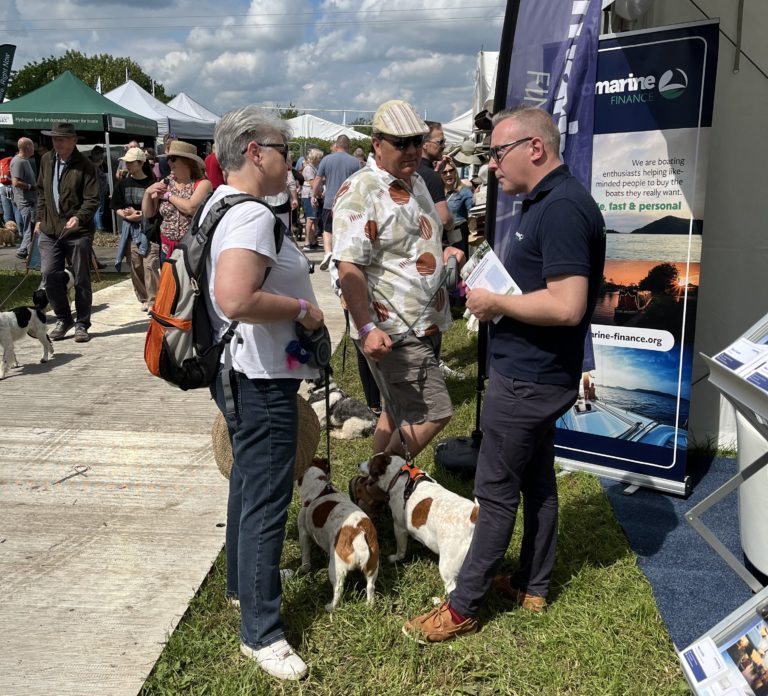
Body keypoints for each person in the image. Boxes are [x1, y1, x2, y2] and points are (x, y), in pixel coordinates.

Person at [403, 106, 606, 643]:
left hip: (529, 377)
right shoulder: (548, 202)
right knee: (537, 481)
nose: (491, 165)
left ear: (534, 149)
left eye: (497, 153)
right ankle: (533, 582)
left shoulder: (561, 207)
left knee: (494, 494)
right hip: (536, 373)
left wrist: (495, 302)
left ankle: (462, 605)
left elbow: (567, 305)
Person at [205, 106, 324, 681]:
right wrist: (304, 308)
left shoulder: (218, 203)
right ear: (255, 150)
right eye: (285, 147)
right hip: (262, 375)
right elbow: (235, 296)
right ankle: (262, 631)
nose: (292, 158)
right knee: (267, 499)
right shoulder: (252, 215)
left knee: (250, 484)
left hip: (236, 368)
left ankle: (239, 587)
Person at [332, 99, 465, 460]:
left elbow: (414, 241)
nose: (411, 150)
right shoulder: (362, 190)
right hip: (393, 327)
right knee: (434, 413)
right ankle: (381, 487)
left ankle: (368, 488)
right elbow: (349, 267)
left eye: (417, 142)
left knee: (395, 412)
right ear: (377, 143)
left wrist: (446, 254)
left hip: (421, 320)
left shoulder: (417, 180)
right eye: (400, 142)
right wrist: (365, 328)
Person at [35, 122, 100, 343]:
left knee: (81, 277)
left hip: (78, 232)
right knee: (49, 274)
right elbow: (41, 192)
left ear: (74, 141)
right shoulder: (46, 160)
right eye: (54, 138)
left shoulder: (86, 165)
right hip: (49, 229)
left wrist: (78, 217)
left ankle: (82, 323)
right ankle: (64, 319)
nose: (57, 142)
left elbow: (92, 200)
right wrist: (39, 218)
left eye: (62, 138)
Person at [142, 140, 212, 261]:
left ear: (187, 161)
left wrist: (169, 195)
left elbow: (190, 208)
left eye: (173, 158)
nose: (168, 162)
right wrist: (147, 193)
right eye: (168, 158)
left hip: (191, 251)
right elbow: (148, 213)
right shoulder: (166, 182)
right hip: (166, 249)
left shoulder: (202, 184)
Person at [111, 147, 159, 311]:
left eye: (131, 162)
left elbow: (155, 209)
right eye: (126, 162)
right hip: (130, 231)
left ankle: (154, 300)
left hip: (148, 230)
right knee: (135, 264)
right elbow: (115, 205)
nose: (127, 165)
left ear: (141, 163)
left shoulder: (152, 184)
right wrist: (126, 216)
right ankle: (145, 297)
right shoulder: (123, 183)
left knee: (149, 265)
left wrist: (138, 214)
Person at [311, 135, 360, 271]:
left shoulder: (326, 159)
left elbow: (318, 180)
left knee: (327, 229)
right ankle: (343, 256)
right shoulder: (355, 162)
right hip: (348, 203)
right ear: (348, 146)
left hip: (329, 202)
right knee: (346, 230)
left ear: (336, 145)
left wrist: (313, 195)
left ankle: (328, 252)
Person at [419, 121, 455, 243]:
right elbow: (445, 220)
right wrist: (452, 223)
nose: (444, 146)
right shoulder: (431, 176)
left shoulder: (411, 172)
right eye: (440, 142)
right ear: (425, 144)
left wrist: (436, 172)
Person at [10, 137, 37, 260]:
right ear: (27, 148)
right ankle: (23, 250)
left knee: (30, 226)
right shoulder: (19, 162)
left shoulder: (24, 160)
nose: (34, 148)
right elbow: (16, 182)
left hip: (28, 200)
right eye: (32, 146)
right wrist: (31, 187)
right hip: (25, 201)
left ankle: (25, 250)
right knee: (30, 227)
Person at [441, 161, 473, 256]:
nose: (448, 174)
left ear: (455, 172)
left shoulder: (464, 191)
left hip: (458, 236)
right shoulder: (437, 192)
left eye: (451, 170)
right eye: (444, 172)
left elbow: (472, 213)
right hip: (441, 237)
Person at [300, 148, 323, 250]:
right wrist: (320, 192)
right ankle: (307, 242)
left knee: (315, 219)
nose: (320, 159)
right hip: (309, 195)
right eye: (319, 157)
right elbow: (313, 183)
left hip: (314, 195)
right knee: (310, 219)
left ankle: (313, 241)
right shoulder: (309, 168)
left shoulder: (314, 167)